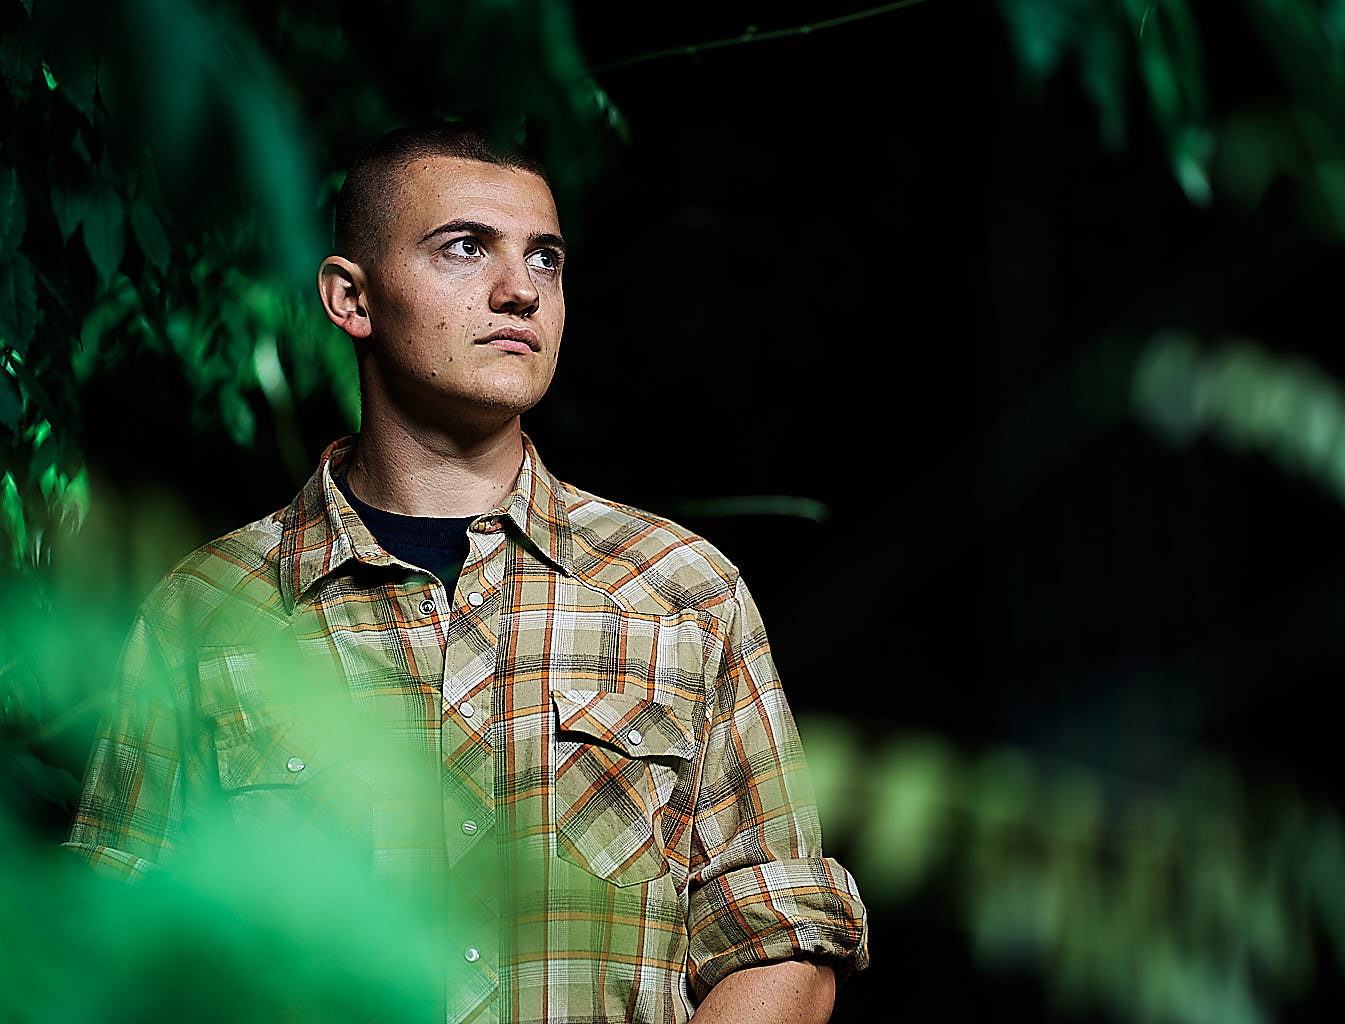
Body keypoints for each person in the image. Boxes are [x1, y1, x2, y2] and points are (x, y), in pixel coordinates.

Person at [65, 123, 869, 1023]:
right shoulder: (212, 610)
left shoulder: (683, 593)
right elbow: (114, 957)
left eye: (546, 260)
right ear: (350, 299)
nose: (519, 290)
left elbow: (782, 946)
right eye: (464, 248)